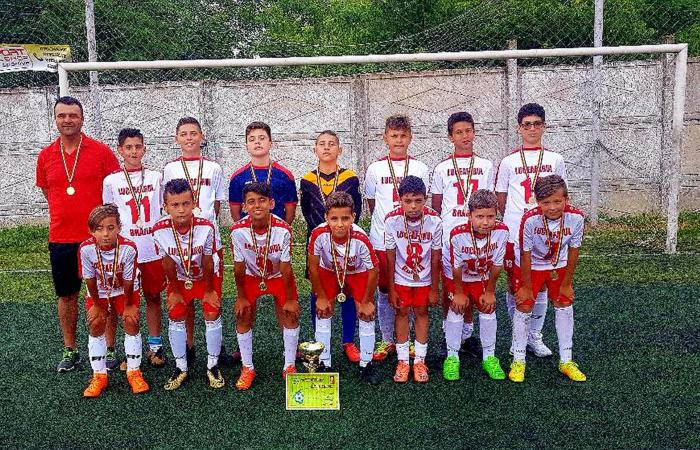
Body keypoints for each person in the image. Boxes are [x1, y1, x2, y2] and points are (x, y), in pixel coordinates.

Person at [35, 96, 120, 372]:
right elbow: (47, 190)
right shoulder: (46, 155)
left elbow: (114, 190)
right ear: (55, 119)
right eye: (62, 115)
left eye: (73, 115)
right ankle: (70, 349)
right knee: (67, 295)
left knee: (106, 292)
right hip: (61, 237)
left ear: (82, 119)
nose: (67, 120)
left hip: (97, 238)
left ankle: (110, 347)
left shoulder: (101, 152)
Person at [495, 103, 567, 358]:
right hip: (516, 232)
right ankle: (519, 336)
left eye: (537, 124)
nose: (532, 129)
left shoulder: (555, 159)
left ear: (544, 126)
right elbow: (501, 197)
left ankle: (534, 337)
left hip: (546, 234)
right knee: (515, 285)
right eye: (527, 125)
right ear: (519, 128)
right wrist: (516, 220)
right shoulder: (508, 161)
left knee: (542, 285)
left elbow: (561, 194)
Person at [364, 114, 430, 360]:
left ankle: (409, 339)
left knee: (411, 286)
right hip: (382, 238)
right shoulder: (375, 168)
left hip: (412, 239)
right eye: (394, 136)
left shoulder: (420, 168)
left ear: (410, 138)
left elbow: (423, 202)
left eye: (403, 136)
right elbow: (372, 203)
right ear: (385, 138)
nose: (398, 140)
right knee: (384, 289)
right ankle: (387, 339)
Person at [162, 117, 227, 366]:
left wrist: (202, 225)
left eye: (193, 133)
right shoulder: (170, 168)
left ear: (202, 137)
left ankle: (216, 347)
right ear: (177, 139)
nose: (189, 138)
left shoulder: (214, 167)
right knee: (184, 295)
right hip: (180, 241)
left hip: (208, 240)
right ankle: (188, 345)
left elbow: (216, 204)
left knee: (212, 294)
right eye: (184, 134)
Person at [509, 175, 586, 383]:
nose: (552, 207)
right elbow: (525, 252)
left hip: (557, 264)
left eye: (557, 201)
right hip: (531, 264)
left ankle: (566, 360)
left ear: (566, 199)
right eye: (546, 202)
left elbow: (574, 250)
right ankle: (518, 360)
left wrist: (567, 283)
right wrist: (526, 286)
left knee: (564, 302)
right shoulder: (530, 219)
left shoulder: (577, 217)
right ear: (537, 201)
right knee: (524, 304)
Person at [431, 111, 496, 358]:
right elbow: (437, 206)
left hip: (478, 236)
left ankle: (467, 335)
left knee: (474, 284)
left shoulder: (486, 166)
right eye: (459, 132)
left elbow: (489, 201)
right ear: (450, 137)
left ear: (474, 132)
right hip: (450, 237)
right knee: (450, 289)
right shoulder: (442, 168)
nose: (465, 136)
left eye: (468, 131)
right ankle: (449, 334)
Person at [152, 179, 224, 390]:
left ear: (194, 203)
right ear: (165, 207)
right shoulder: (159, 230)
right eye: (175, 205)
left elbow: (208, 260)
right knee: (176, 312)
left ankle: (213, 365)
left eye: (186, 203)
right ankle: (181, 366)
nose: (181, 209)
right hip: (180, 278)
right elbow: (167, 262)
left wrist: (209, 290)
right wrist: (174, 291)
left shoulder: (206, 227)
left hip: (205, 277)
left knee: (211, 310)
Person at [102, 128, 166, 368]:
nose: (134, 151)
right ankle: (126, 351)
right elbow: (108, 215)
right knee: (124, 300)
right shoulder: (111, 181)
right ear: (120, 150)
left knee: (153, 296)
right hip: (125, 252)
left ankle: (155, 347)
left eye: (138, 147)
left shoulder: (157, 177)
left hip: (151, 248)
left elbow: (164, 208)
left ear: (144, 149)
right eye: (128, 147)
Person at [300, 130, 363, 363]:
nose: (327, 148)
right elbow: (307, 212)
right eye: (322, 144)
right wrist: (322, 235)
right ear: (315, 150)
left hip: (345, 240)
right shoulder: (307, 180)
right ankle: (319, 341)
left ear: (340, 149)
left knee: (347, 287)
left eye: (332, 144)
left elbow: (356, 210)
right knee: (318, 288)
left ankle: (348, 341)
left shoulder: (350, 178)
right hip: (318, 242)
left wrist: (340, 231)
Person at [230, 182, 300, 390]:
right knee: (243, 313)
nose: (257, 205)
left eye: (262, 200)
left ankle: (289, 365)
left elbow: (286, 268)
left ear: (271, 203)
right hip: (251, 276)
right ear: (244, 206)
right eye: (251, 202)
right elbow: (238, 268)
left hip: (278, 276)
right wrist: (241, 297)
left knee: (290, 313)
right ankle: (247, 367)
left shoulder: (283, 229)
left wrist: (290, 299)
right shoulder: (237, 231)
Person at [307, 192, 382, 384]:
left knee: (366, 313)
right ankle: (324, 363)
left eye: (345, 218)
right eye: (334, 218)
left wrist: (367, 301)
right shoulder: (318, 234)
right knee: (323, 310)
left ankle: (367, 364)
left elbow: (374, 270)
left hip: (357, 272)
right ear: (326, 217)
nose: (340, 224)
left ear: (353, 217)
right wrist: (321, 296)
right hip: (329, 271)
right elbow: (313, 267)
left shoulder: (360, 238)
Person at [78, 204, 149, 397]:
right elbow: (90, 280)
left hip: (124, 291)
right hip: (99, 292)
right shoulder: (85, 249)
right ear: (91, 231)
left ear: (119, 227)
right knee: (95, 322)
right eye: (99, 229)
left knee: (131, 320)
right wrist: (97, 306)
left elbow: (128, 280)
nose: (105, 234)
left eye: (111, 228)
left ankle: (134, 372)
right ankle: (99, 375)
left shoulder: (128, 248)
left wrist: (129, 305)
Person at [445, 190, 508, 381]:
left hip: (482, 276)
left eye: (491, 216)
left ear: (497, 214)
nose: (486, 222)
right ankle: (452, 357)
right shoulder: (458, 234)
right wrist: (458, 293)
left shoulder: (502, 231)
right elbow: (456, 267)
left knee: (488, 307)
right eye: (480, 216)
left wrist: (490, 291)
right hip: (459, 277)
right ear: (469, 215)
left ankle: (489, 356)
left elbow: (497, 264)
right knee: (456, 308)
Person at [385, 176, 442, 383]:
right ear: (399, 199)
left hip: (424, 278)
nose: (413, 206)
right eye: (408, 201)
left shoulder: (435, 220)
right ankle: (402, 361)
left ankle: (419, 360)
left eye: (418, 201)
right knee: (401, 313)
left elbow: (435, 256)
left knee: (422, 313)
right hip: (401, 277)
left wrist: (434, 288)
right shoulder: (391, 220)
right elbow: (390, 256)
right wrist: (391, 288)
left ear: (425, 199)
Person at [228, 121, 297, 224]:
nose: (257, 142)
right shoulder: (238, 177)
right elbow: (235, 213)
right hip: (247, 231)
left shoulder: (285, 175)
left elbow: (290, 211)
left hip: (277, 230)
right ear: (246, 146)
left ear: (270, 143)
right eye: (252, 139)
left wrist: (281, 229)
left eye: (262, 138)